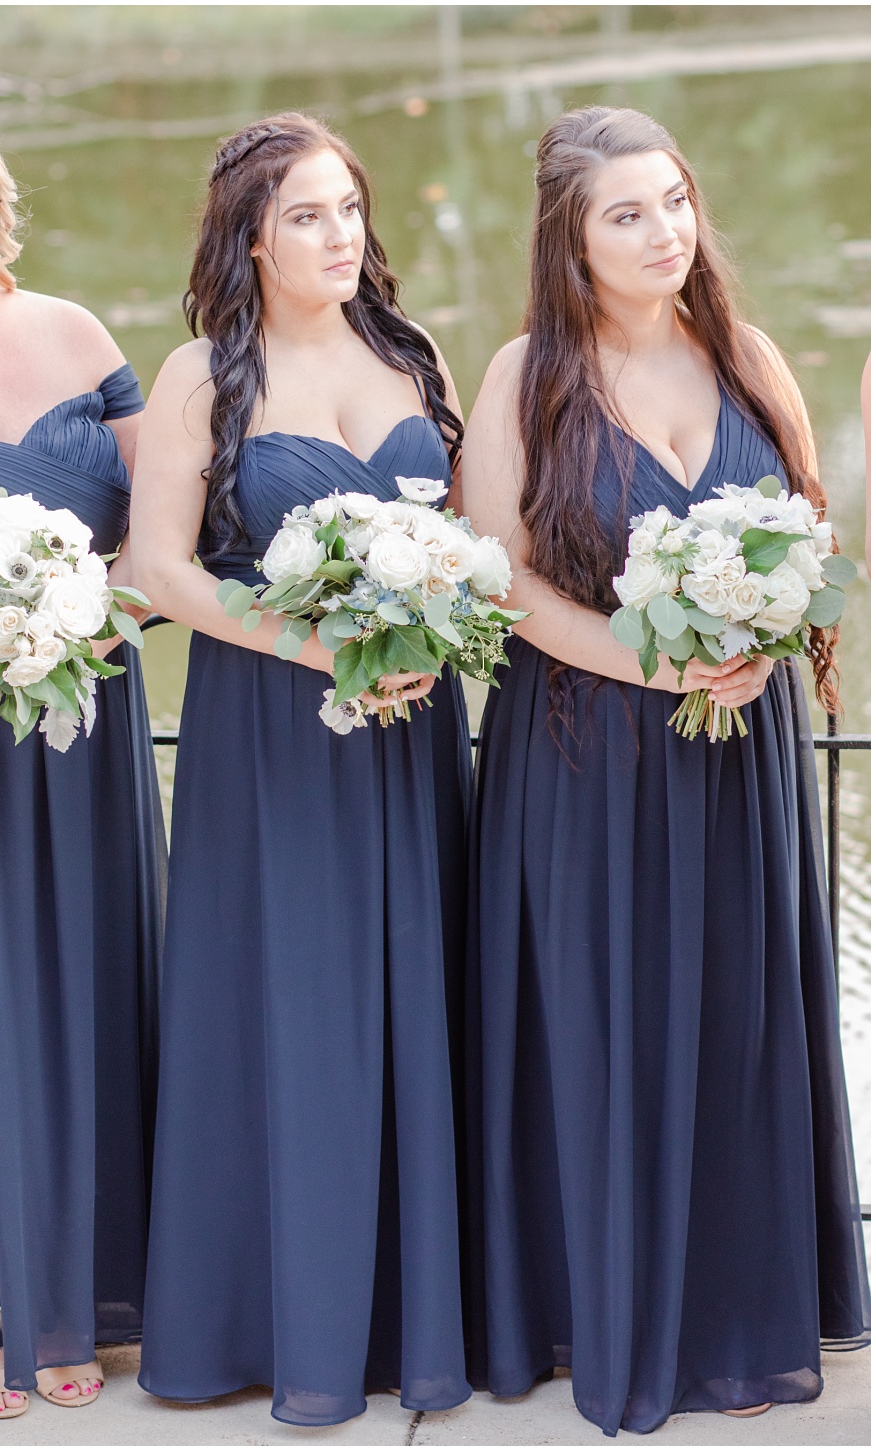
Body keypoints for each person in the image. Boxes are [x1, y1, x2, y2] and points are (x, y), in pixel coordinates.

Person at [460, 106, 867, 1435]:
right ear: (571, 243)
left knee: (736, 1018)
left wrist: (768, 630)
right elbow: (496, 577)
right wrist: (650, 663)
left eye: (673, 203)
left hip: (738, 753)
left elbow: (807, 529)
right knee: (603, 1018)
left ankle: (737, 1303)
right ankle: (604, 1303)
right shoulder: (528, 375)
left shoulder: (745, 355)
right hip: (584, 751)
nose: (661, 232)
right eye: (624, 214)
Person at [128, 114, 473, 1425]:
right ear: (252, 241)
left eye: (347, 209)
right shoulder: (200, 375)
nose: (339, 237)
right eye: (307, 218)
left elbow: (471, 531)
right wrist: (320, 643)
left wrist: (437, 621)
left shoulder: (413, 351)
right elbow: (163, 570)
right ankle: (275, 1316)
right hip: (273, 729)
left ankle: (408, 1316)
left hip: (410, 724)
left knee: (410, 992)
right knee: (289, 1008)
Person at [0, 107, 164, 1421]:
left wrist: (80, 613)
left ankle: (92, 1287)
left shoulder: (77, 337)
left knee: (101, 985)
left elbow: (161, 533)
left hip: (95, 717)